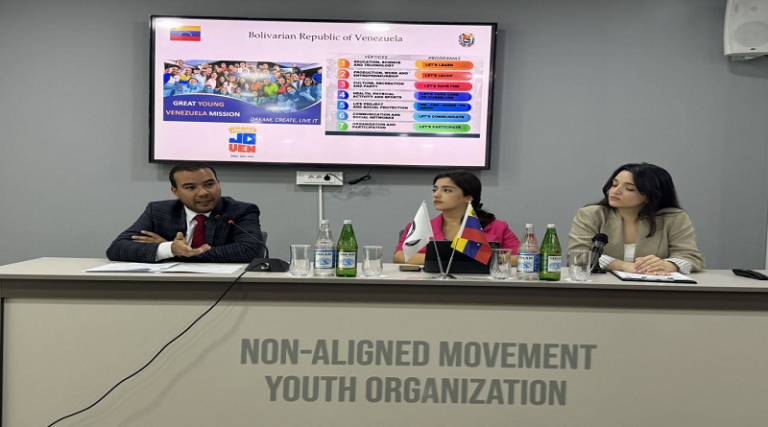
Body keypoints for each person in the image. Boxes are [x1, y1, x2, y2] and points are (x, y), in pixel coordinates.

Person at [106, 162, 264, 263]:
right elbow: (117, 248)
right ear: (175, 191)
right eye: (191, 187)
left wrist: (181, 253)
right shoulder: (159, 211)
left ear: (218, 183)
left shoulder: (240, 211)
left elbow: (251, 251)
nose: (203, 193)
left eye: (209, 184)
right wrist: (170, 248)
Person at [568, 162, 705, 274]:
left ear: (650, 196)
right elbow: (578, 257)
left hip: (656, 289)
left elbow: (691, 257)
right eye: (614, 185)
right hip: (602, 288)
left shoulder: (674, 218)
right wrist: (622, 265)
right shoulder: (591, 214)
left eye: (629, 188)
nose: (615, 191)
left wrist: (667, 265)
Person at [394, 170, 520, 264]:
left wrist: (487, 258)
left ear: (468, 197)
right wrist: (459, 260)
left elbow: (522, 259)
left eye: (447, 190)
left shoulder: (498, 227)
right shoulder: (420, 226)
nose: (436, 195)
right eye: (435, 190)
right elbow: (399, 256)